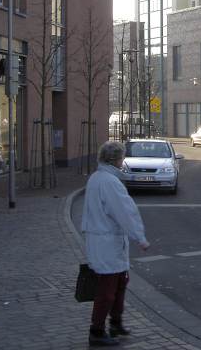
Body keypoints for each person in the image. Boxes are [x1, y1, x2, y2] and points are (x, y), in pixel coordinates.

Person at [81, 141, 150, 346]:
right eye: (122, 157)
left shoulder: (97, 178)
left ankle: (115, 322)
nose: (123, 161)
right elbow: (125, 212)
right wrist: (140, 237)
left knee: (120, 281)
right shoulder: (110, 182)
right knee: (108, 288)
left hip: (103, 239)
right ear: (116, 159)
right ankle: (97, 330)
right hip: (107, 241)